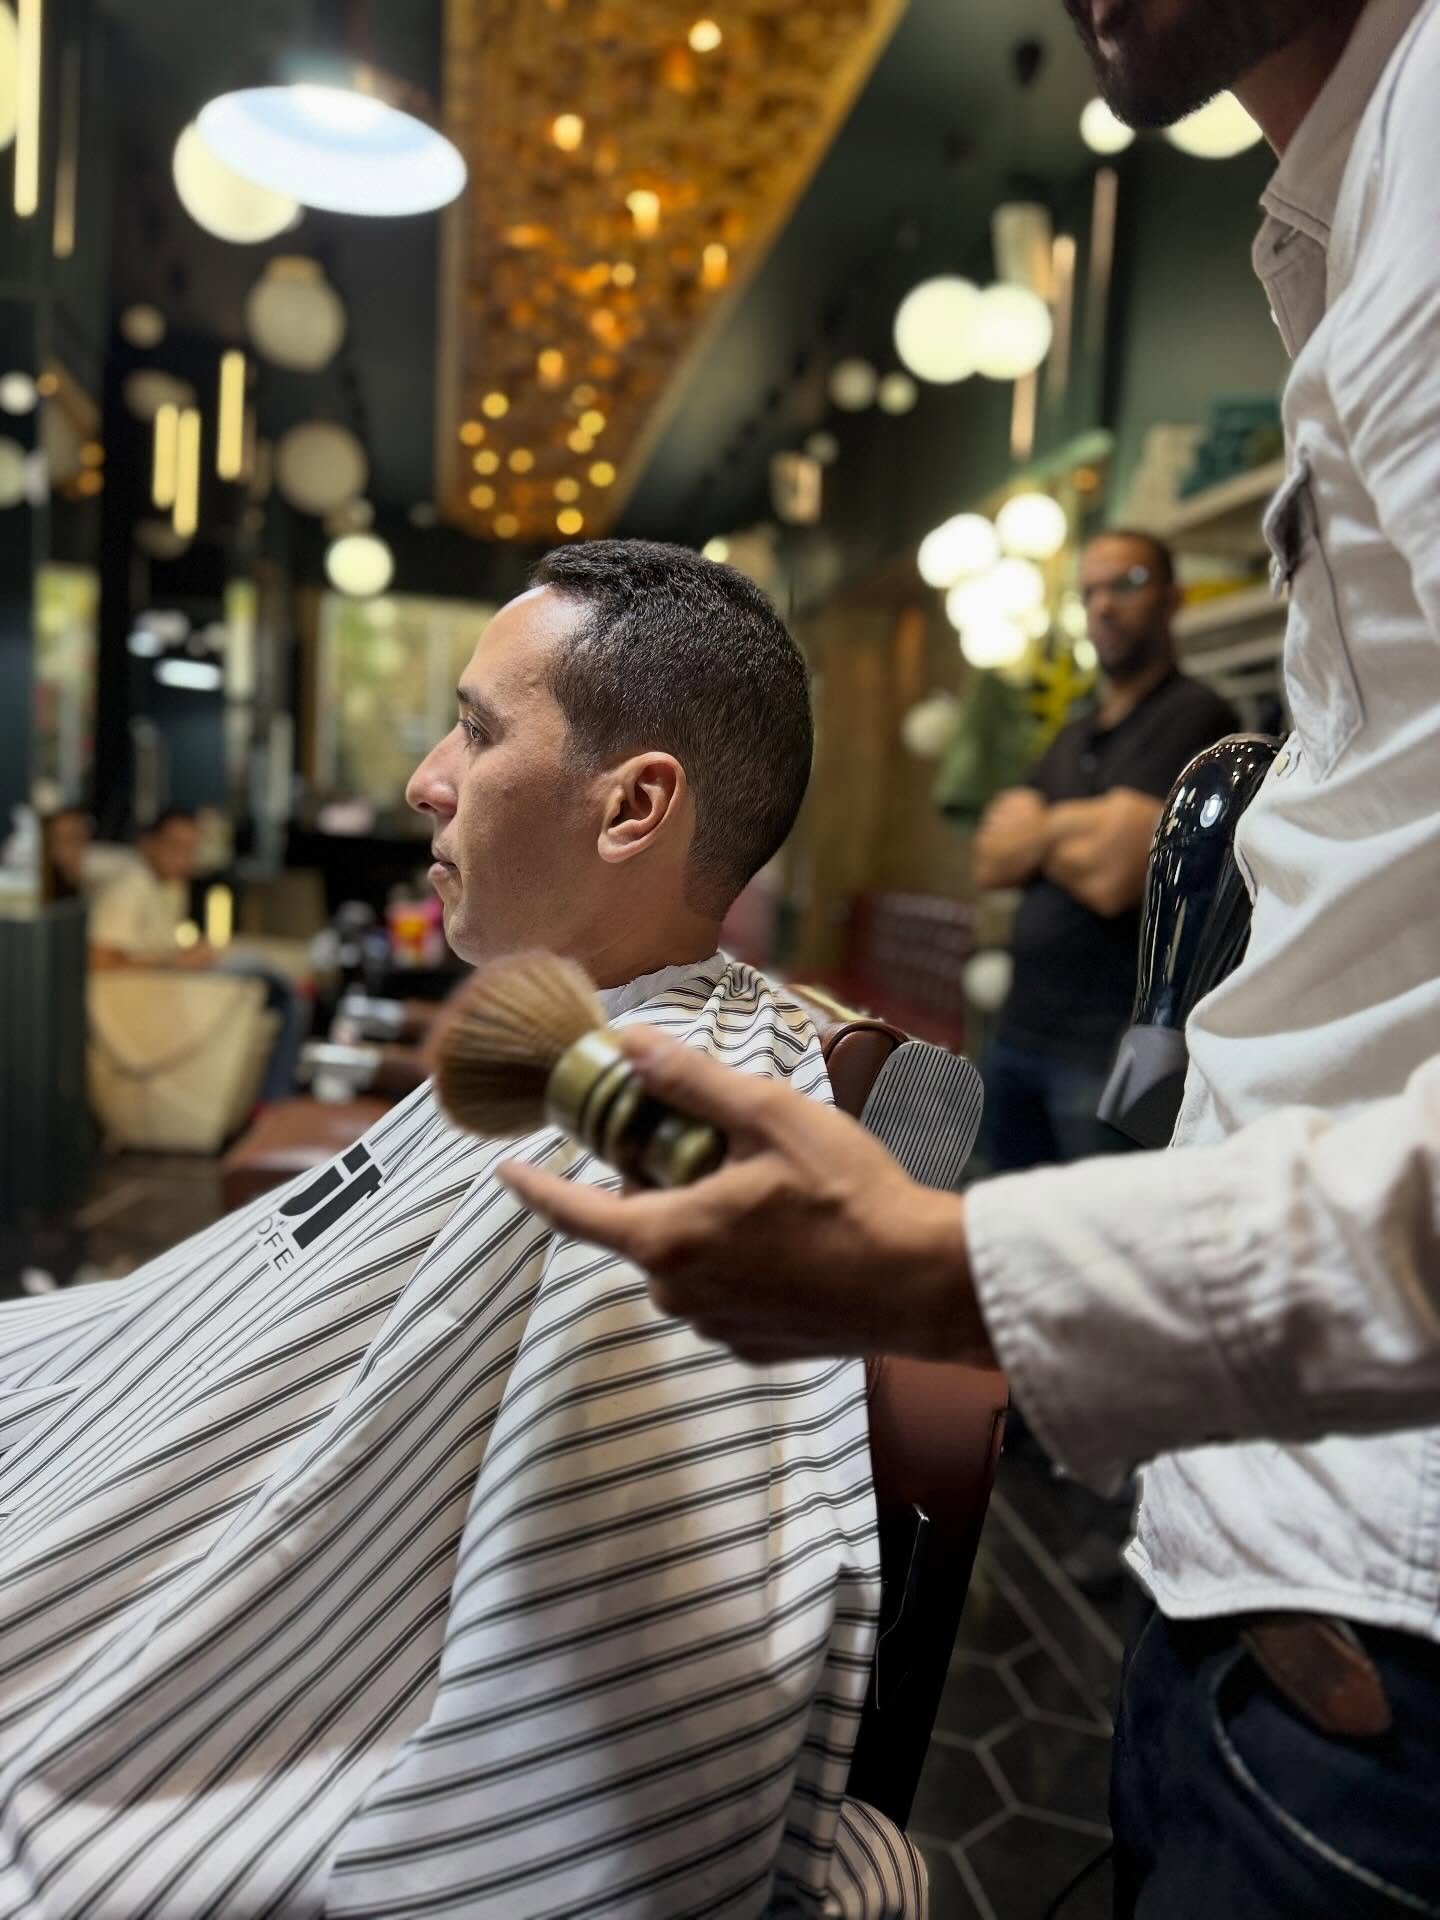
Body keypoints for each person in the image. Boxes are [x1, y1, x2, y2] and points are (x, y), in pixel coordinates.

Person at [506, 5, 1440, 1915]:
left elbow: (1105, 846)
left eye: (482, 725)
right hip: (1264, 1562)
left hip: (1374, 1640)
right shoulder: (1341, 221)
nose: (438, 784)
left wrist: (957, 1272)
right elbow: (1077, 845)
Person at [0, 542, 921, 1919]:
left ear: (634, 805)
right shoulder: (577, 1038)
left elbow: (597, 1780)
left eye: (479, 731)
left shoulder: (668, 1167)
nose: (428, 776)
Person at [973, 531, 1238, 1171]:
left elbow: (1118, 874)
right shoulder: (1072, 733)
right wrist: (1082, 828)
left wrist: (1039, 832)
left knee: (1086, 1258)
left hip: (1107, 1051)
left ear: (1174, 599)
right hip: (1017, 1032)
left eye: (1127, 584)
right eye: (1090, 590)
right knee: (998, 1233)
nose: (1103, 606)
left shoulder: (1199, 717)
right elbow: (991, 860)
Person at [88, 808, 307, 1105]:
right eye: (174, 846)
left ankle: (275, 1101)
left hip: (175, 981)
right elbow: (99, 961)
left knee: (283, 989)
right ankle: (276, 1104)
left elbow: (156, 945)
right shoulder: (130, 887)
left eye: (191, 849)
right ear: (148, 843)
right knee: (272, 978)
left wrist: (186, 953)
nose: (183, 858)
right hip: (155, 991)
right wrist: (174, 963)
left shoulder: (168, 887)